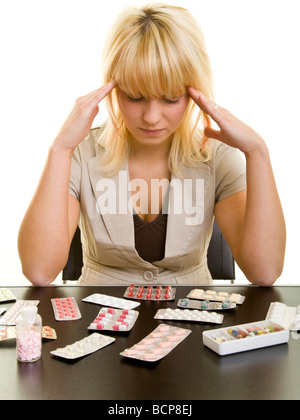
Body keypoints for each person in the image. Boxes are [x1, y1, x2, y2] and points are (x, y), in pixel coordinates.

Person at [18, 3, 286, 287]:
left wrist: (257, 151)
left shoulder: (217, 156)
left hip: (192, 319)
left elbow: (264, 272)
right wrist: (60, 149)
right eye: (134, 97)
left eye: (171, 98)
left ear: (195, 92)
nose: (151, 117)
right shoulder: (81, 153)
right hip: (96, 318)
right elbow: (39, 271)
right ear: (113, 88)